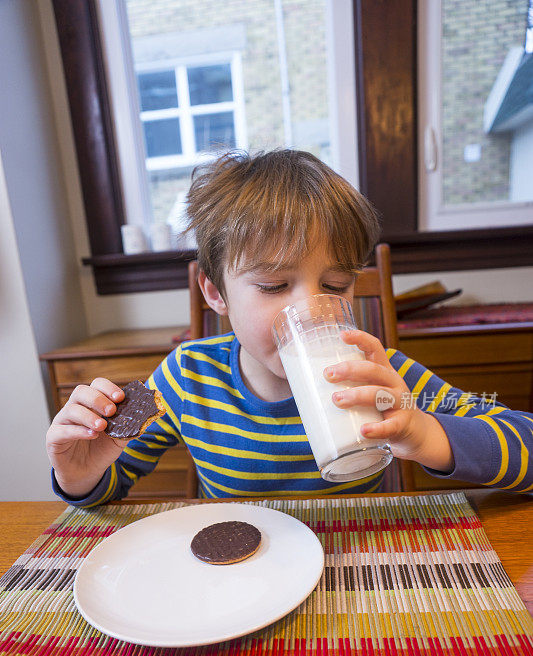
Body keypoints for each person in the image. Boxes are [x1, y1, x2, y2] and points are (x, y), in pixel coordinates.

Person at [46, 150, 533, 504]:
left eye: (335, 285)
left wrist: (426, 432)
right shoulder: (185, 378)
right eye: (275, 285)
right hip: (237, 576)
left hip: (354, 573)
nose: (313, 309)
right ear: (216, 293)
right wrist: (80, 475)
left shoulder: (377, 377)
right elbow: (109, 477)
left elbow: (524, 439)